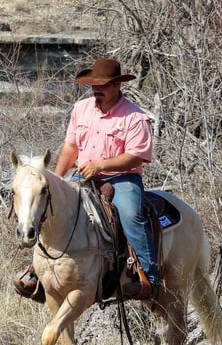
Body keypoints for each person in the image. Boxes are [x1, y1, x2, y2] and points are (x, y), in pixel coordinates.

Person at [14, 57, 159, 301]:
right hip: (83, 176)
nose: (96, 90)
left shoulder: (134, 117)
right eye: (94, 85)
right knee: (50, 208)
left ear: (116, 86)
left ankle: (147, 275)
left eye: (102, 85)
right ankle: (37, 271)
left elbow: (137, 156)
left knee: (131, 214)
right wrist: (56, 179)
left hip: (121, 179)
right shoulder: (81, 109)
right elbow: (70, 147)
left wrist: (101, 165)